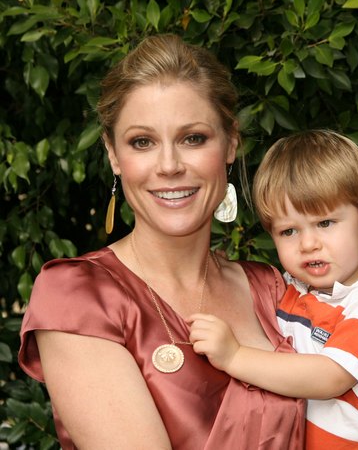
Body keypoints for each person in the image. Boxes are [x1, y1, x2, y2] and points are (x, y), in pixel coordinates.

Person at [19, 34, 305, 449]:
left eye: (193, 138)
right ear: (114, 155)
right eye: (142, 142)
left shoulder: (273, 287)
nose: (169, 166)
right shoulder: (79, 298)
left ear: (231, 142)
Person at [189, 130, 358, 449]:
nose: (309, 244)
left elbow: (331, 377)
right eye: (289, 231)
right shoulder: (293, 288)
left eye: (325, 223)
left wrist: (235, 357)